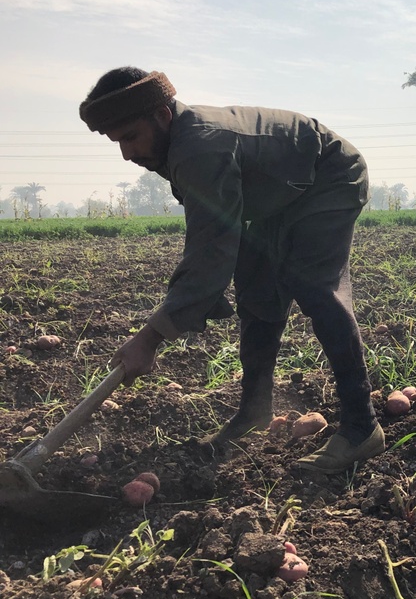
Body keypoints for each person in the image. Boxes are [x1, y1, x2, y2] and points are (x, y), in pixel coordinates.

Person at [78, 67, 385, 473]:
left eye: (131, 137)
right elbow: (220, 236)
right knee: (257, 286)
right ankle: (254, 413)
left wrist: (151, 338)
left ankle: (362, 427)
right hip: (280, 193)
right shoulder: (175, 145)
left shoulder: (199, 147)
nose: (127, 154)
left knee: (313, 284)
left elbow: (210, 252)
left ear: (163, 116)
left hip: (328, 175)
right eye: (117, 143)